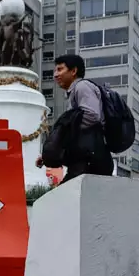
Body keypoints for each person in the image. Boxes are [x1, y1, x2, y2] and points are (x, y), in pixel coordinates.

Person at [36, 54, 114, 182]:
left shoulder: (82, 87)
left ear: (73, 71)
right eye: (55, 71)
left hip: (90, 160)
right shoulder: (75, 91)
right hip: (86, 159)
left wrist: (64, 135)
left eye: (60, 69)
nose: (55, 75)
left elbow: (92, 116)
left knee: (65, 193)